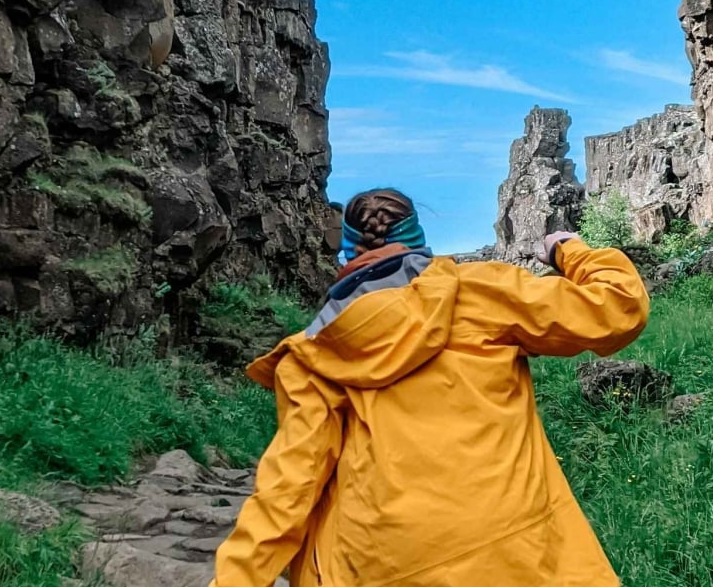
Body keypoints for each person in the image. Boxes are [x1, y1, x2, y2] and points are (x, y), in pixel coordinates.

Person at [207, 187, 649, 587]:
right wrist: (567, 249)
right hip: (517, 553)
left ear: (345, 253)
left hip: (378, 563)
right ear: (418, 238)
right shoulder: (482, 292)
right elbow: (618, 308)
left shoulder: (315, 355)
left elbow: (288, 489)